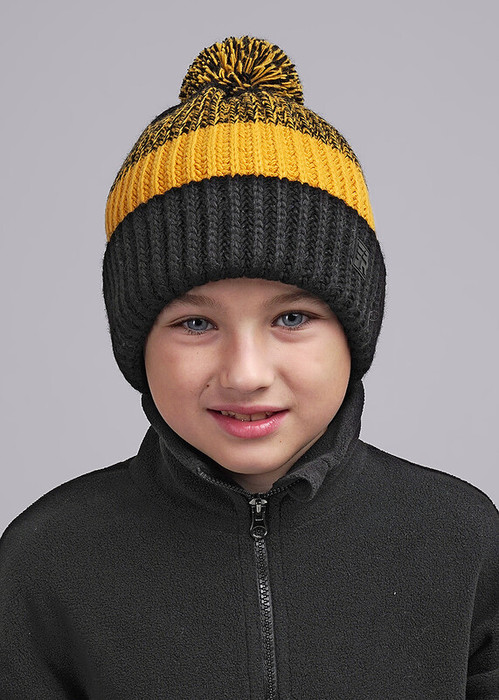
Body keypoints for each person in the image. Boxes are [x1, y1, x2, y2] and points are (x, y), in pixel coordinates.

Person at [0, 35, 497, 699]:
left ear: (356, 333)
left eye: (291, 318)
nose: (245, 373)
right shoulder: (46, 559)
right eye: (195, 324)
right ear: (136, 343)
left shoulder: (462, 540)